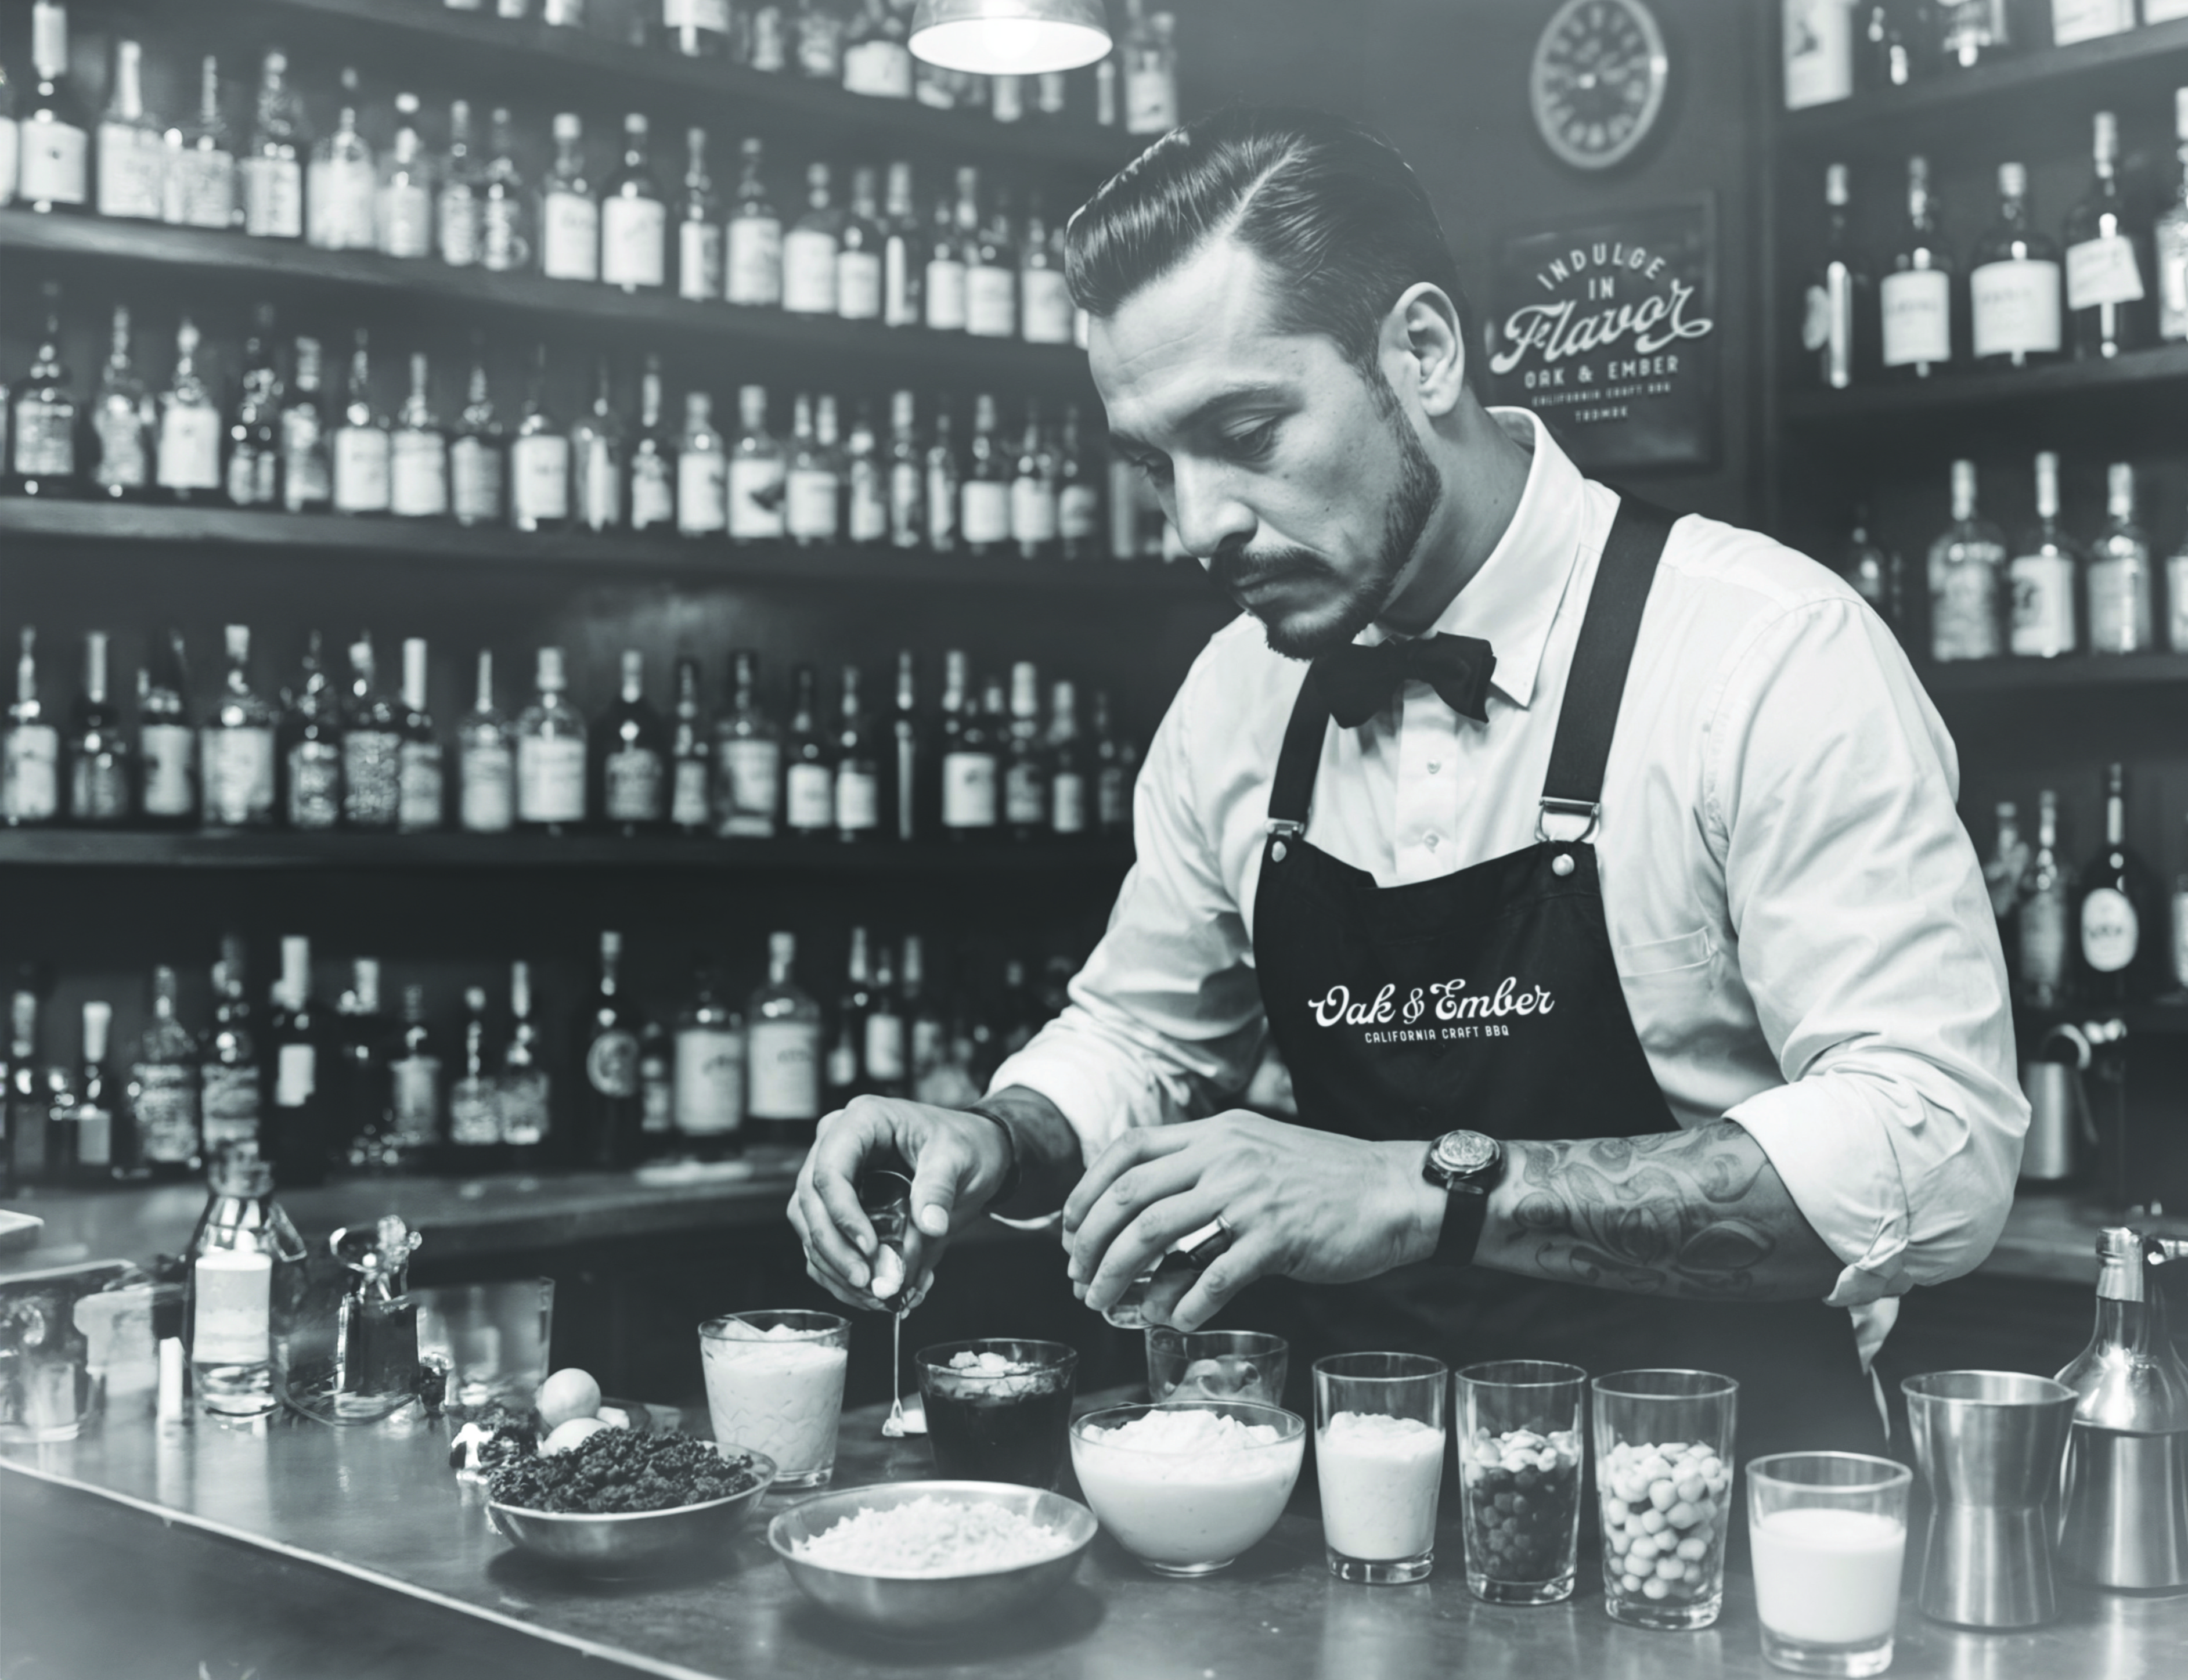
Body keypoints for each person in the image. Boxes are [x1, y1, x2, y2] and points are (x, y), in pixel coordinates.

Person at [789, 104, 2024, 1454]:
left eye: (1246, 431)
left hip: (1707, 1530)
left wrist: (1427, 1188)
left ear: (1421, 352)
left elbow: (1934, 1148)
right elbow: (1144, 1037)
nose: (1195, 525)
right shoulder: (1239, 693)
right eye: (1155, 464)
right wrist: (1002, 1141)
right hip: (1345, 1520)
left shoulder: (1762, 650)